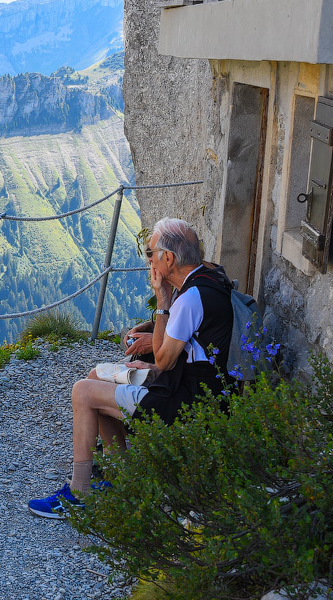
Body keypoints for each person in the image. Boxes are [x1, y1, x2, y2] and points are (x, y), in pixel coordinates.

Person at [28, 218, 234, 519]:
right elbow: (182, 345)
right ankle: (119, 477)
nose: (148, 259)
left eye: (151, 253)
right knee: (96, 376)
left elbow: (164, 360)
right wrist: (152, 339)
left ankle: (78, 494)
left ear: (169, 258)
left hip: (186, 402)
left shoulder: (190, 298)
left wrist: (162, 297)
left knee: (83, 392)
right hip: (196, 386)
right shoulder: (208, 278)